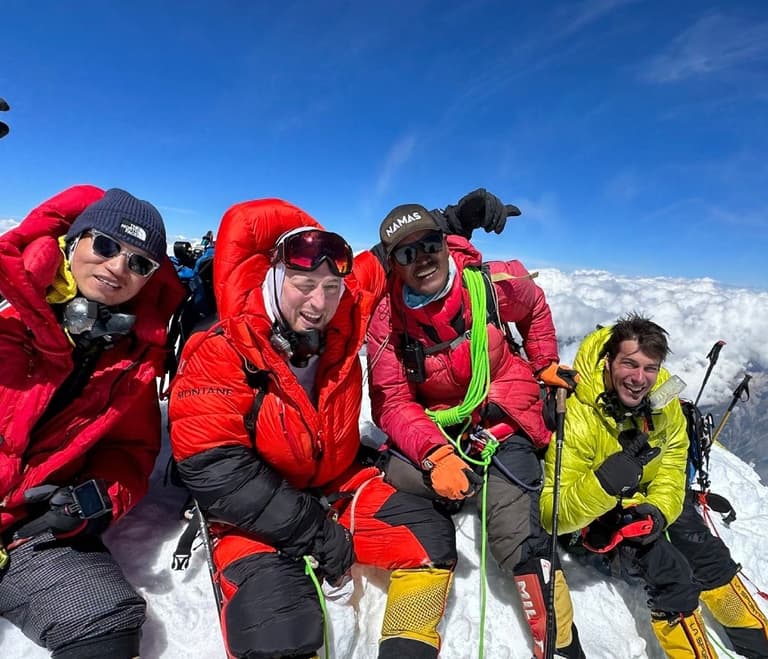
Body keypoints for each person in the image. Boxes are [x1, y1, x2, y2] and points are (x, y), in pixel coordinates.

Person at [168, 197, 478, 659]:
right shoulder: (221, 349)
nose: (320, 302)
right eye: (304, 284)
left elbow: (383, 258)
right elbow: (216, 471)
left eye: (332, 286)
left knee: (428, 538)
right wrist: (317, 533)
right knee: (281, 634)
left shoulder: (343, 314)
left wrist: (452, 222)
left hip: (339, 486)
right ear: (275, 277)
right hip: (251, 521)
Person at [366, 194, 585, 659]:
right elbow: (392, 400)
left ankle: (561, 645)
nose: (422, 259)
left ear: (446, 242)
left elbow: (534, 305)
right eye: (407, 253)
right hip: (440, 429)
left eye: (430, 244)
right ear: (393, 264)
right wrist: (435, 454)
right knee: (396, 476)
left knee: (516, 535)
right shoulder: (387, 319)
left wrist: (543, 362)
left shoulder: (489, 283)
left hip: (501, 420)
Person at [0, 186, 184, 658]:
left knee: (106, 625)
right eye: (105, 245)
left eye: (139, 262)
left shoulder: (132, 357)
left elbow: (128, 452)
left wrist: (92, 502)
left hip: (24, 532)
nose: (118, 267)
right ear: (73, 242)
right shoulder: (6, 306)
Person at [540, 314, 768, 658]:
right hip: (600, 515)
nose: (639, 378)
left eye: (650, 368)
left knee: (709, 555)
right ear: (608, 361)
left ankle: (759, 646)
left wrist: (659, 509)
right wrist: (605, 484)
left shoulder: (662, 397)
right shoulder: (576, 415)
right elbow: (552, 514)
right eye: (629, 364)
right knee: (672, 575)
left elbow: (674, 458)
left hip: (649, 503)